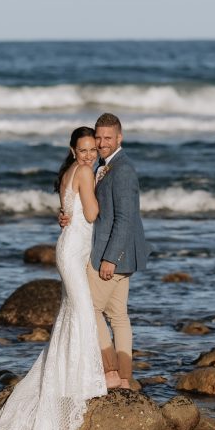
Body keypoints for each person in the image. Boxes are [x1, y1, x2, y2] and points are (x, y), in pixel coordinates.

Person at [0, 127, 107, 430]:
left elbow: (72, 213)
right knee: (81, 311)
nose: (88, 155)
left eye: (92, 149)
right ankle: (81, 380)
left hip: (70, 248)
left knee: (73, 313)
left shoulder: (70, 172)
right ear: (73, 150)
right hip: (71, 251)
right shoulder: (84, 171)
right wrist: (99, 183)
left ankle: (72, 374)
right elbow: (93, 213)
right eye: (82, 150)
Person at [62, 113, 150, 390]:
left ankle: (111, 371)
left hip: (111, 255)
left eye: (107, 138)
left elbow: (124, 218)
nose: (101, 143)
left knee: (91, 310)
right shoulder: (104, 166)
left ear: (119, 138)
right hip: (118, 253)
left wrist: (109, 258)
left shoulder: (121, 170)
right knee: (119, 315)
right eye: (98, 137)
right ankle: (124, 377)